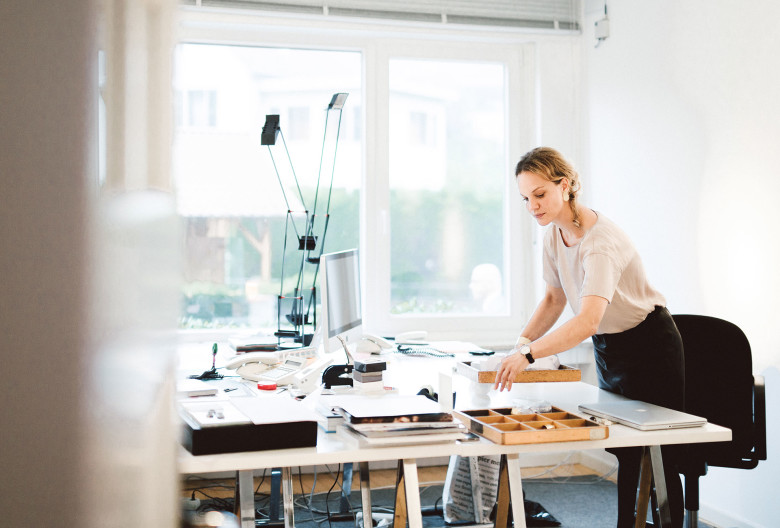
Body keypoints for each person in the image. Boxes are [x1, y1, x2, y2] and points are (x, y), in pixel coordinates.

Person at [493, 147, 685, 528]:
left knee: (661, 455)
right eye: (526, 198)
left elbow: (586, 321)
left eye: (540, 194)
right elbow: (553, 298)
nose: (533, 206)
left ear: (564, 187)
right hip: (611, 346)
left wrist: (529, 355)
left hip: (650, 344)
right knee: (624, 451)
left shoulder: (600, 243)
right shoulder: (554, 235)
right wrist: (518, 346)